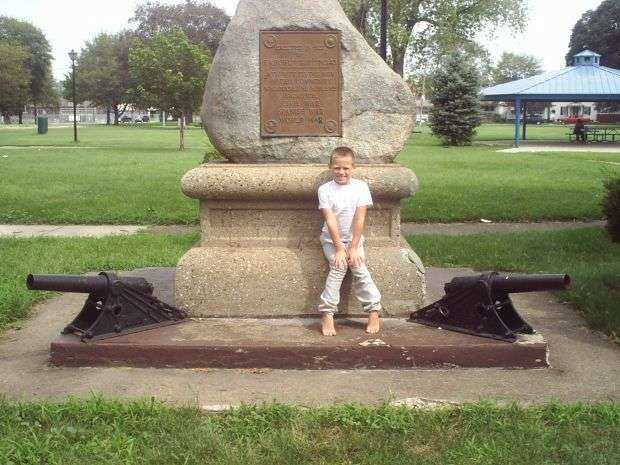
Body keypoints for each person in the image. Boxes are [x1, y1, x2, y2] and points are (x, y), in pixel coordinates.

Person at [316, 146, 382, 336]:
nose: (341, 172)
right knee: (339, 267)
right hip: (331, 240)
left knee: (359, 268)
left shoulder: (360, 187)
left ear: (353, 168)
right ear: (330, 167)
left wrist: (352, 248)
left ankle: (374, 310)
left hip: (354, 240)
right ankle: (327, 313)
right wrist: (339, 249)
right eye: (337, 168)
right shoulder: (325, 190)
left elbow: (360, 218)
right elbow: (330, 220)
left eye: (346, 168)